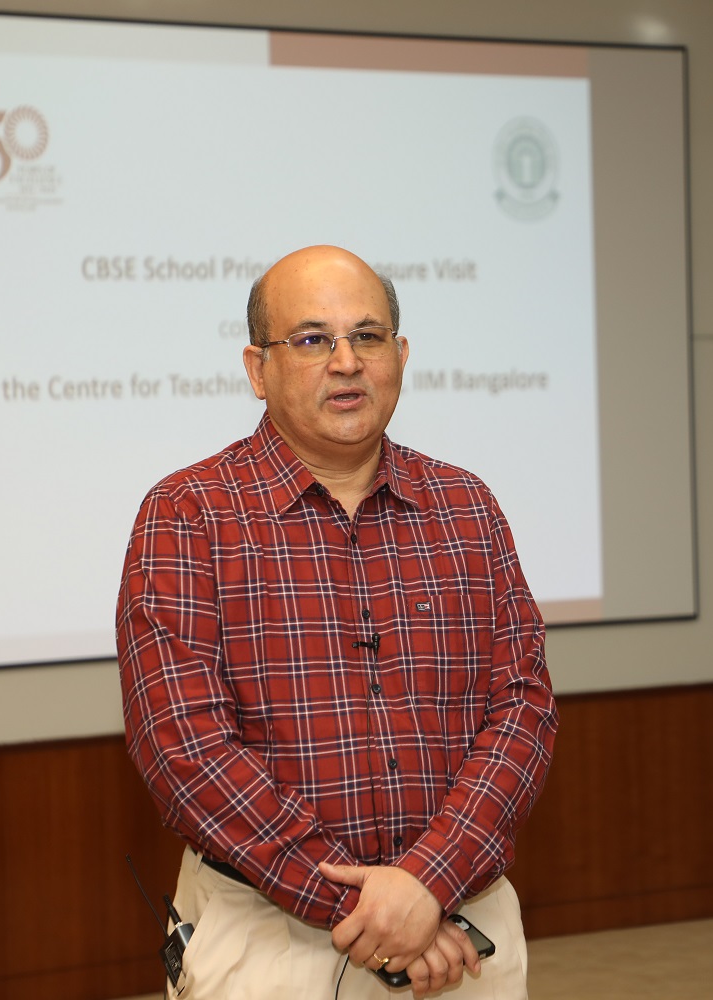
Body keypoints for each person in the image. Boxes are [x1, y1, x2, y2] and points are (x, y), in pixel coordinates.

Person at [116, 245, 557, 998]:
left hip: (462, 932)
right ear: (258, 369)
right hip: (271, 940)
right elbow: (184, 750)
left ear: (402, 356)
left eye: (369, 336)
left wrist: (426, 884)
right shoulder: (188, 516)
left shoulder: (466, 509)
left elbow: (523, 710)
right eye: (313, 339)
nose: (347, 361)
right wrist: (375, 913)